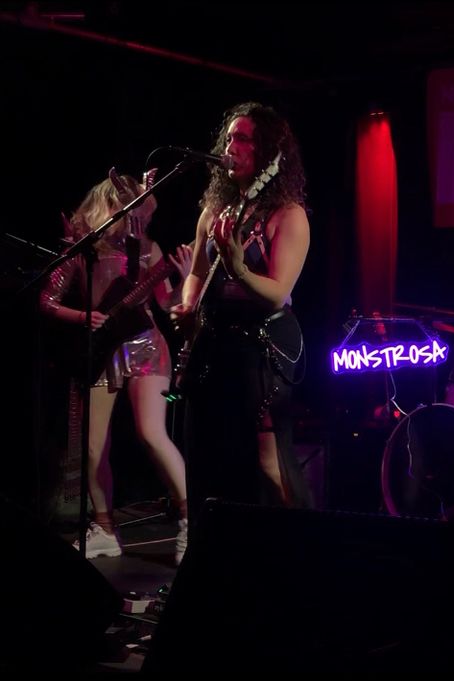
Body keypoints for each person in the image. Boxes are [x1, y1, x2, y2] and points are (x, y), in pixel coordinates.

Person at [170, 102, 310, 532]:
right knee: (206, 458)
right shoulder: (214, 211)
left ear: (267, 150)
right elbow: (195, 271)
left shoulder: (289, 215)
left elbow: (277, 292)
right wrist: (188, 305)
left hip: (260, 353)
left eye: (244, 138)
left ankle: (296, 552)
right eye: (230, 137)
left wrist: (240, 270)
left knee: (266, 463)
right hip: (214, 347)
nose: (232, 146)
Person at [40, 173, 193, 564]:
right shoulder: (81, 252)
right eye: (115, 207)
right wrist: (82, 316)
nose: (122, 215)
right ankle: (105, 529)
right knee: (93, 448)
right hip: (103, 348)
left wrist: (184, 275)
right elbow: (47, 299)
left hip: (146, 347)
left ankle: (191, 522)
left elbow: (168, 304)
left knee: (151, 432)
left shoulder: (147, 249)